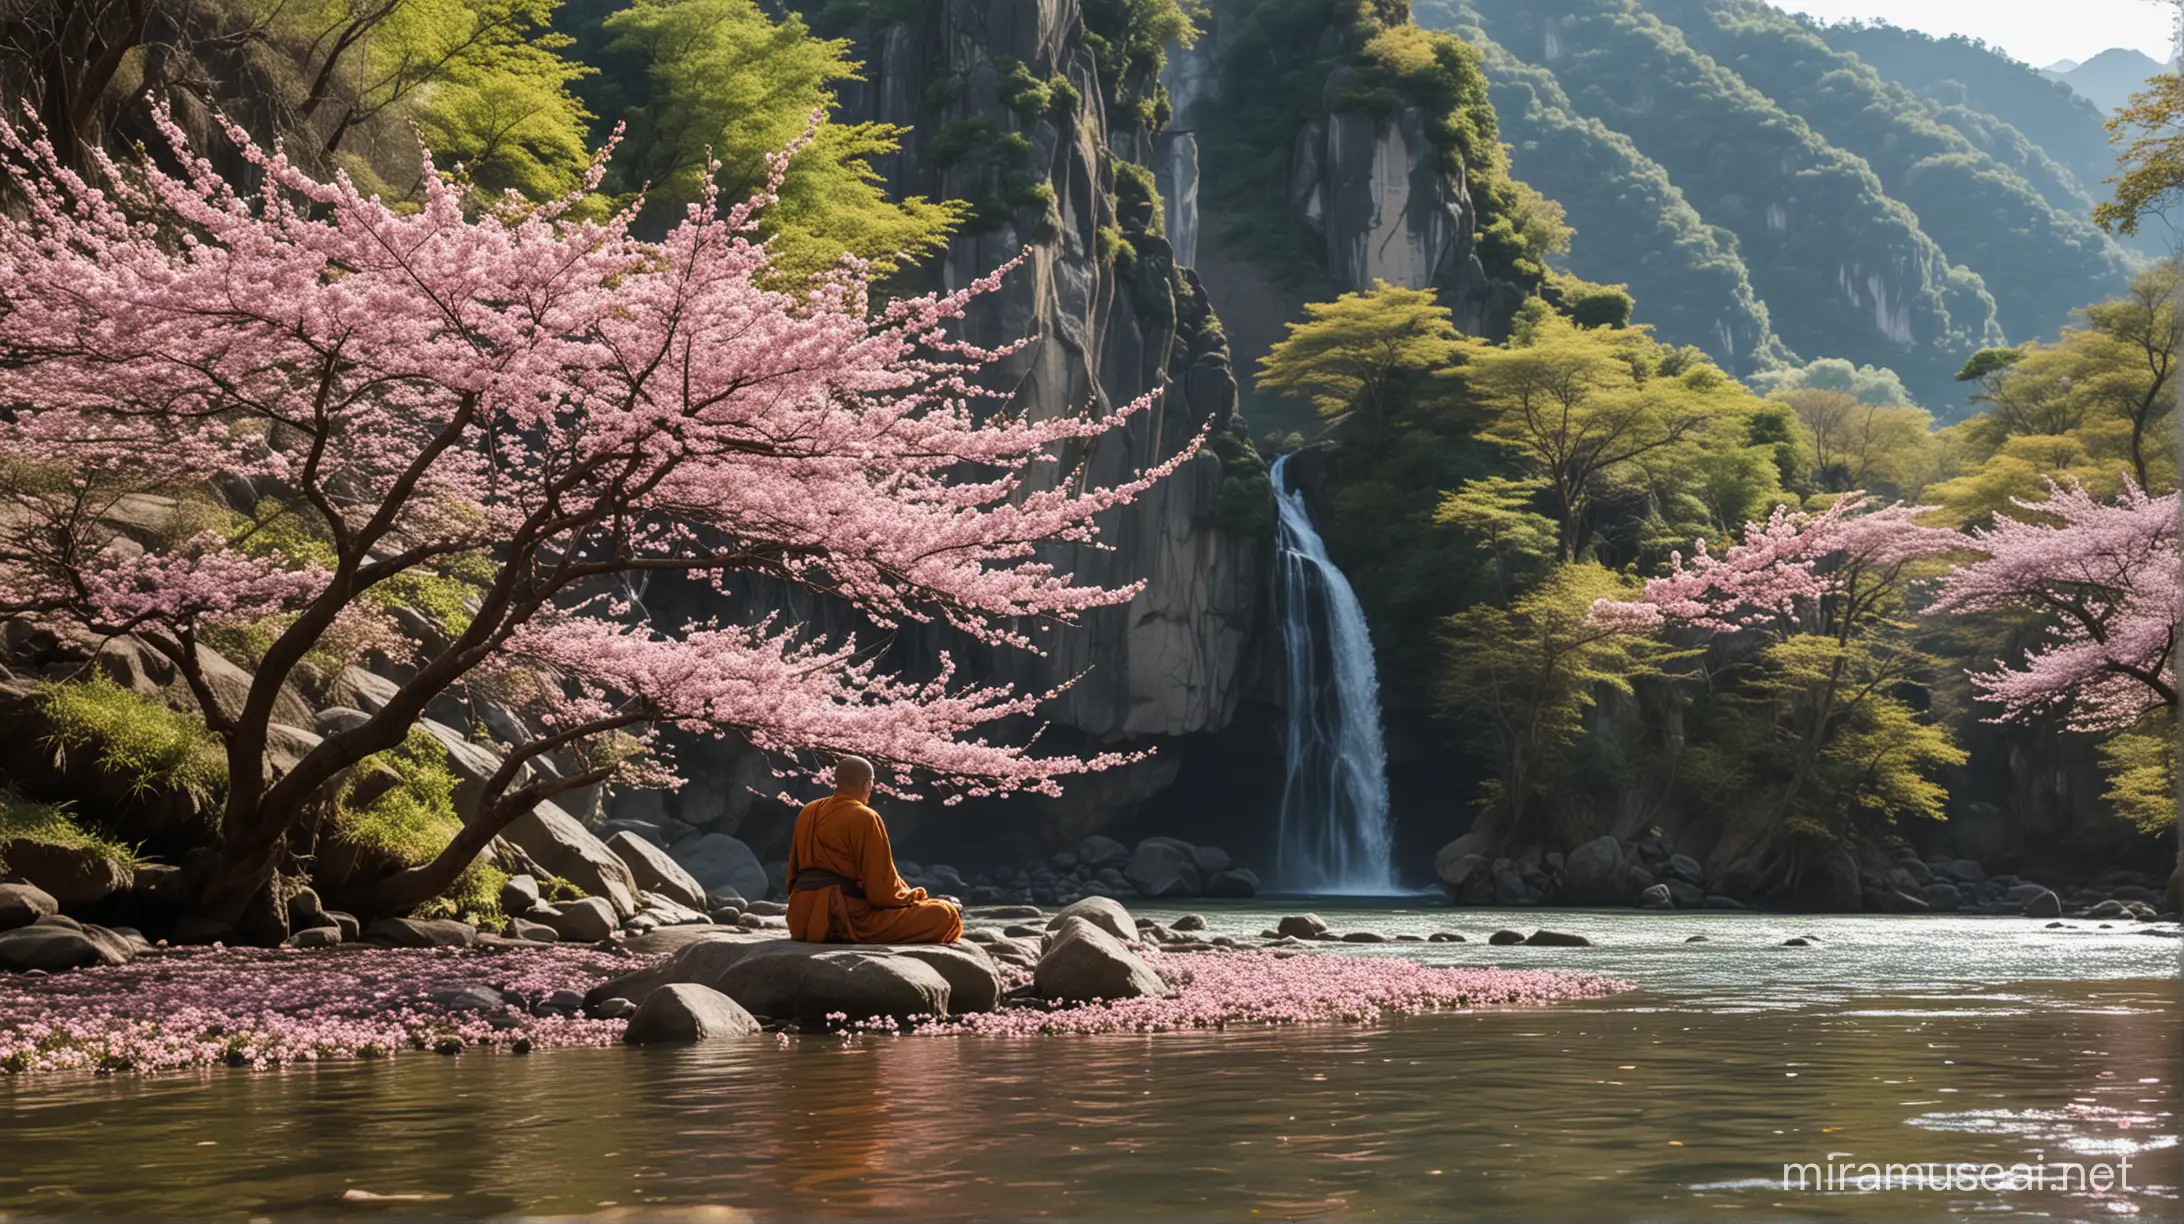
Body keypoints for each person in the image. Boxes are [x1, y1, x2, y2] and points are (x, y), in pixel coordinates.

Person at [785, 756, 963, 944]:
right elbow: (882, 893)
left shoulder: (808, 811)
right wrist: (912, 897)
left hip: (799, 917)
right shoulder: (865, 816)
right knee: (944, 914)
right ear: (867, 784)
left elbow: (793, 875)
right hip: (841, 919)